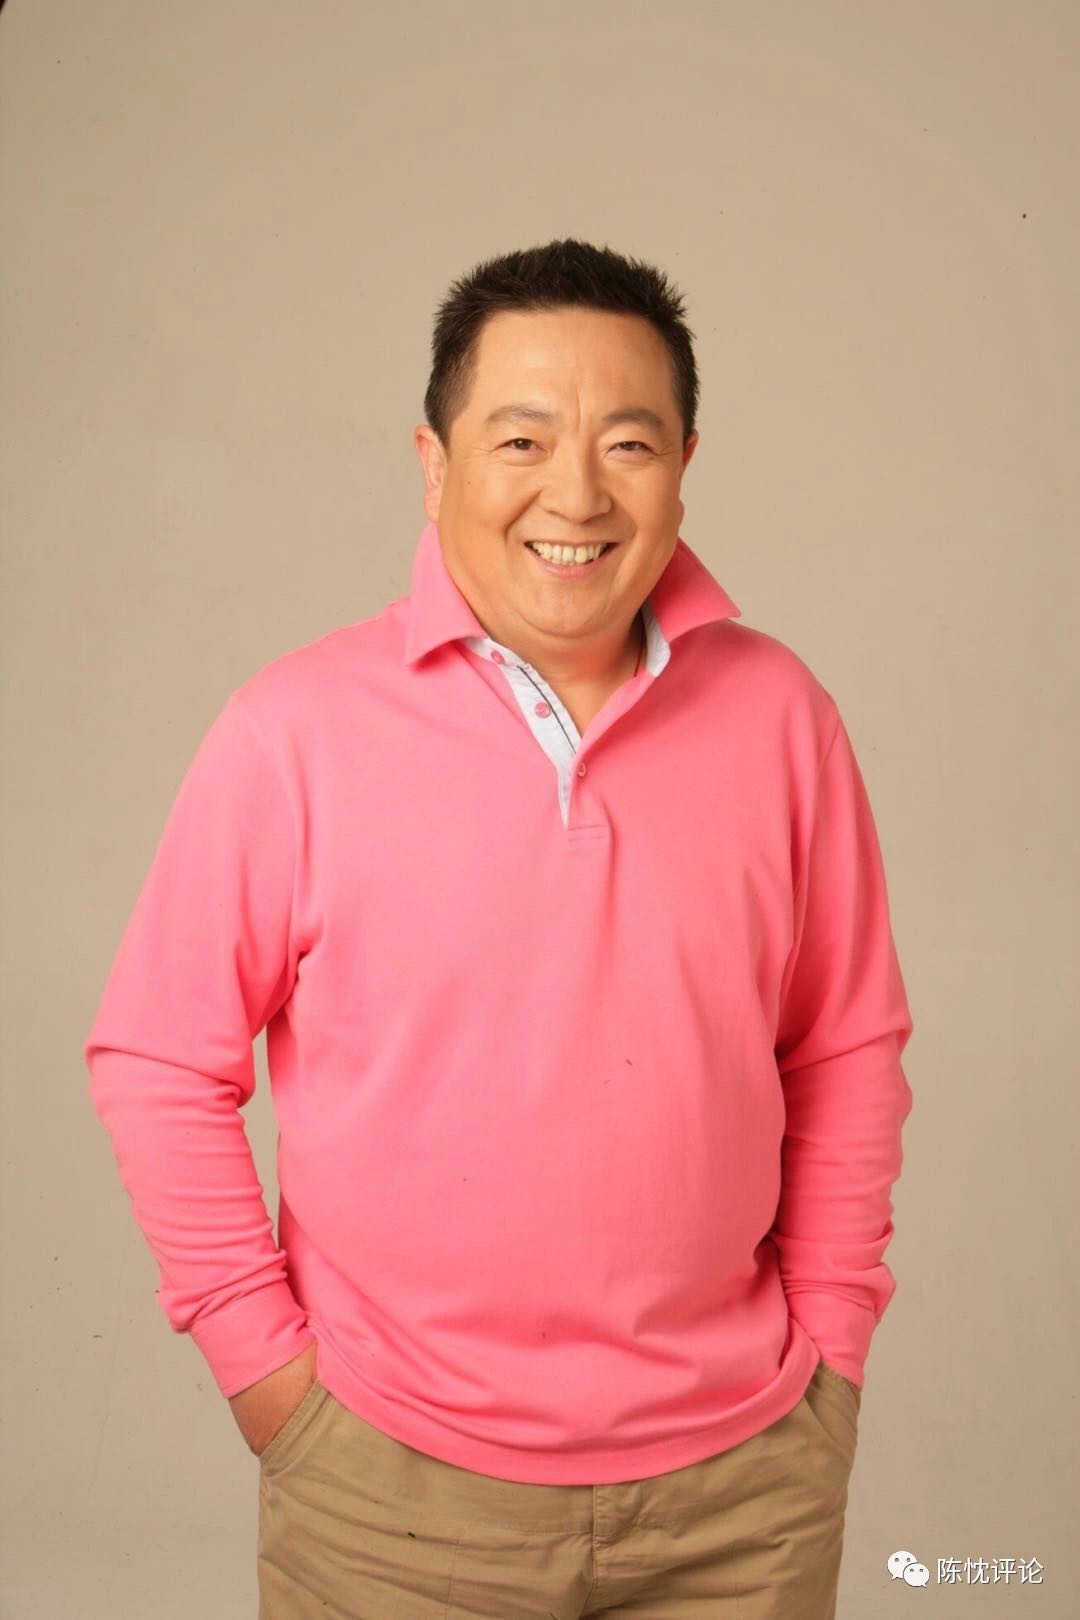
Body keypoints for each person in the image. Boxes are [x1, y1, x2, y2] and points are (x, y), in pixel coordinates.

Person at [84, 236, 915, 1618]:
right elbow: (158, 1059)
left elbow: (844, 1049)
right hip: (388, 1487)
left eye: (627, 443)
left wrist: (830, 1353)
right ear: (435, 463)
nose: (575, 494)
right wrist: (267, 1374)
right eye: (521, 440)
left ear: (686, 462)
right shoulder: (294, 730)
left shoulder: (783, 717)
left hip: (745, 1490)